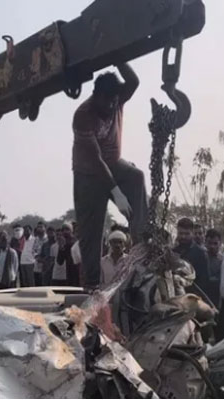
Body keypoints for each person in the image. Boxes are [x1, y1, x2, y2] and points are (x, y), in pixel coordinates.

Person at [72, 63, 147, 289]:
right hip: (88, 174)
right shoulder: (83, 115)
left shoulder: (117, 98)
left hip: (114, 164)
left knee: (136, 177)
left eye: (114, 101)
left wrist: (119, 59)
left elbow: (133, 82)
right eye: (106, 102)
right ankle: (93, 284)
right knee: (91, 232)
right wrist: (116, 192)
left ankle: (141, 247)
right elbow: (96, 159)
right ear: (96, 96)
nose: (111, 106)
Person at [173, 218, 209, 292]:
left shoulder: (200, 253)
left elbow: (204, 281)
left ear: (192, 233)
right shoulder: (173, 252)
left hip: (193, 295)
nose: (183, 236)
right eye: (181, 233)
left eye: (187, 234)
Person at [204, 228, 223, 307]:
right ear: (205, 242)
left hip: (218, 299)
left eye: (215, 243)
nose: (212, 246)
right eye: (210, 243)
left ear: (220, 243)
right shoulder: (201, 258)